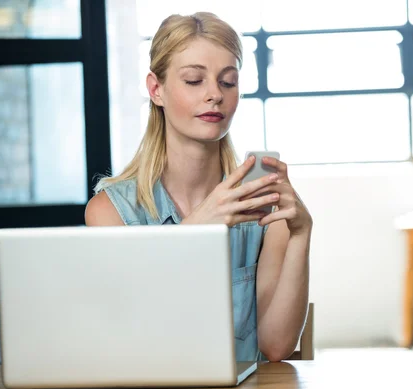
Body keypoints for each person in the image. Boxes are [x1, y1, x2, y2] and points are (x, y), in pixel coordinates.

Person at [85, 12, 312, 362]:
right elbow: (124, 333)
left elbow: (277, 346)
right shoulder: (110, 212)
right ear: (155, 89)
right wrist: (195, 229)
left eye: (228, 81)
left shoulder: (262, 206)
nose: (214, 95)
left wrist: (301, 234)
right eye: (194, 80)